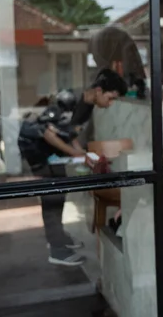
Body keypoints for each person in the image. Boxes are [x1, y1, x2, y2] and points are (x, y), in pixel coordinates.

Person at [18, 69, 127, 266]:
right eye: (110, 98)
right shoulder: (69, 100)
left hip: (51, 151)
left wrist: (82, 154)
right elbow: (47, 134)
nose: (110, 104)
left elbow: (69, 132)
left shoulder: (87, 105)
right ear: (99, 91)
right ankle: (56, 249)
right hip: (35, 148)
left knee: (60, 189)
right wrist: (76, 154)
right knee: (51, 196)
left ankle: (59, 236)